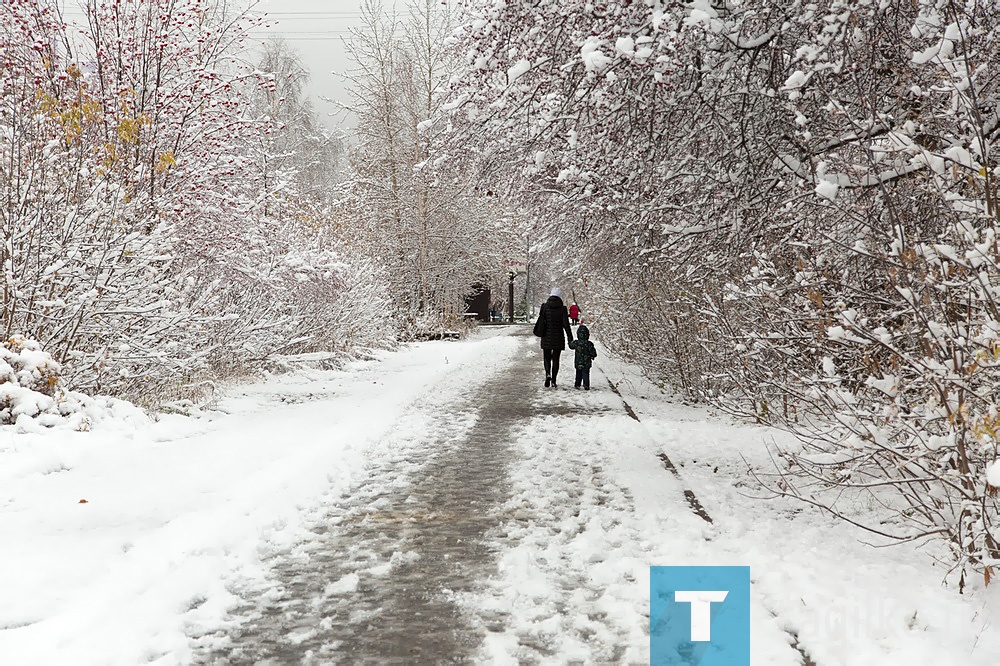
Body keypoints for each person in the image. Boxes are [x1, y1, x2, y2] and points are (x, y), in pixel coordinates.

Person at [534, 287, 573, 387]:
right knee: (556, 359)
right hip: (558, 337)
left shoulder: (544, 307)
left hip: (546, 336)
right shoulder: (562, 309)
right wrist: (570, 338)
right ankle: (554, 380)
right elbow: (566, 325)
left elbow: (541, 320)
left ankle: (547, 373)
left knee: (546, 357)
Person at [568, 324, 598, 389]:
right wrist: (593, 355)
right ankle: (586, 385)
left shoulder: (576, 343)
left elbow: (571, 346)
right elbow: (593, 352)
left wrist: (569, 341)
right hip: (586, 362)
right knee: (586, 373)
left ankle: (577, 384)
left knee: (578, 373)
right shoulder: (589, 344)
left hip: (578, 362)